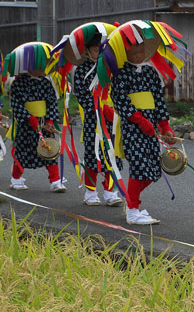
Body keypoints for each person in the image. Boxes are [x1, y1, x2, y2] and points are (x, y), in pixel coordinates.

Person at [109, 39, 176, 225]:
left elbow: (159, 101)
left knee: (153, 167)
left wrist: (165, 126)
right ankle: (132, 209)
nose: (138, 56)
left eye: (141, 52)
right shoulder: (121, 74)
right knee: (139, 166)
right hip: (132, 127)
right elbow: (120, 101)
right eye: (134, 52)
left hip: (152, 126)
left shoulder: (151, 72)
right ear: (125, 53)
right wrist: (138, 119)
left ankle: (132, 201)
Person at [71, 32, 124, 206]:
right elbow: (82, 96)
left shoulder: (114, 67)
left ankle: (110, 192)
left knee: (112, 156)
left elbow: (120, 91)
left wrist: (115, 110)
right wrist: (100, 110)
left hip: (113, 119)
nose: (99, 54)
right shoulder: (81, 71)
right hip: (93, 120)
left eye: (103, 50)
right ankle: (90, 192)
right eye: (95, 50)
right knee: (93, 155)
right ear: (87, 51)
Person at [4, 43, 65, 193]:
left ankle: (55, 181)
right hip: (26, 124)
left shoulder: (46, 83)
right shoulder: (18, 84)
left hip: (45, 123)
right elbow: (16, 104)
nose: (45, 69)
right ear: (31, 65)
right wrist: (29, 118)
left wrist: (50, 120)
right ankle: (16, 179)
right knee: (22, 151)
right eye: (42, 65)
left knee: (50, 150)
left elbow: (51, 102)